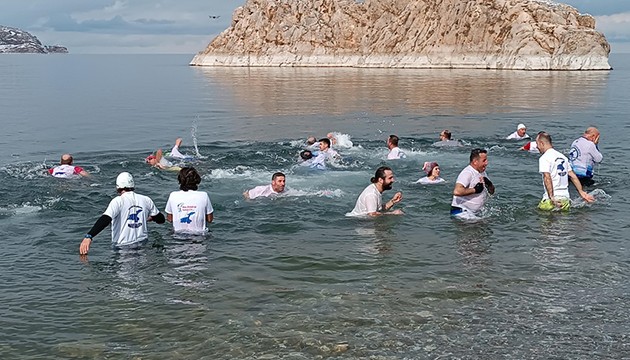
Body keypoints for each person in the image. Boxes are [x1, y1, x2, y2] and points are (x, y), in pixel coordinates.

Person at [79, 172, 165, 255]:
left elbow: (105, 219)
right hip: (143, 244)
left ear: (117, 187)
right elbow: (161, 219)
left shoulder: (118, 201)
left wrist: (89, 236)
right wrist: (151, 218)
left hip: (123, 247)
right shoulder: (146, 199)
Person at [536, 132, 595, 210]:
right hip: (565, 200)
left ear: (541, 143)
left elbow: (547, 177)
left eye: (537, 144)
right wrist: (581, 192)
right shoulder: (562, 157)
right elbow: (572, 176)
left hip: (551, 201)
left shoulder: (544, 158)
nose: (537, 147)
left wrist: (551, 197)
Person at [165, 167, 214, 234]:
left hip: (178, 236)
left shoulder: (173, 195)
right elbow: (210, 219)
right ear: (197, 180)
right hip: (199, 236)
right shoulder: (204, 195)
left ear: (180, 180)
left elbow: (170, 219)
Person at [450, 148, 495, 218]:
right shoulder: (467, 173)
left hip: (475, 212)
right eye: (484, 160)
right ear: (475, 162)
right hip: (460, 211)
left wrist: (489, 184)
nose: (487, 163)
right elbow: (457, 191)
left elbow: (492, 192)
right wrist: (475, 190)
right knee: (480, 224)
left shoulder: (482, 172)